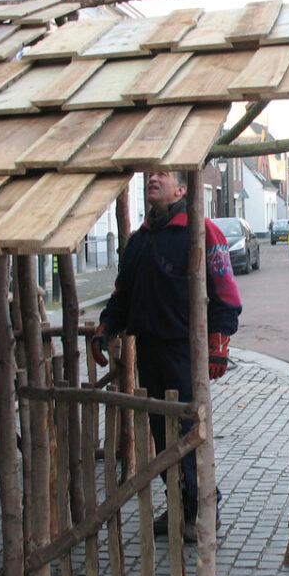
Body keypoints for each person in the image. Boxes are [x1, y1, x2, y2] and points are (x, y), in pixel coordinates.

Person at [91, 171, 241, 542]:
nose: (153, 179)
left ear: (181, 188)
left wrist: (219, 342)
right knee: (162, 434)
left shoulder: (202, 232)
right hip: (150, 351)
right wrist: (105, 328)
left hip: (185, 351)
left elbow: (226, 293)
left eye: (163, 174)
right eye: (150, 175)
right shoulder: (140, 241)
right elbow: (122, 296)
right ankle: (178, 505)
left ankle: (204, 508)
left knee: (189, 432)